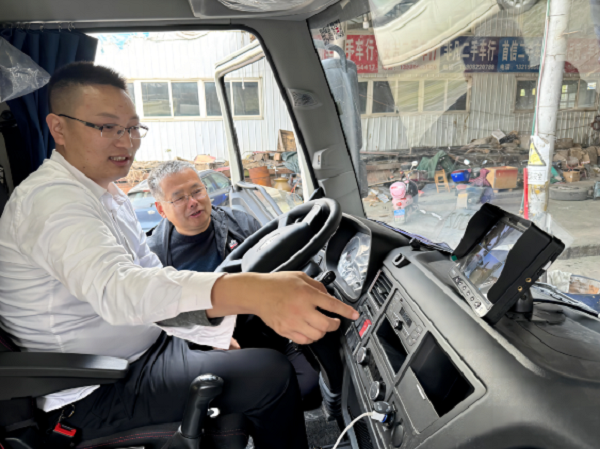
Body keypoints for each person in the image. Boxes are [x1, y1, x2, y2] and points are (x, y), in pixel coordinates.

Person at [0, 62, 358, 448]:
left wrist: (205, 332)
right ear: (58, 128)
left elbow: (150, 274)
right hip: (92, 387)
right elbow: (122, 291)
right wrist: (256, 290)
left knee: (250, 354)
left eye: (133, 128)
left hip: (140, 353)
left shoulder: (104, 193)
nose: (127, 142)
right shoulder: (51, 201)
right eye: (107, 127)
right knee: (270, 372)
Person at [146, 160, 321, 409]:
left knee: (310, 387)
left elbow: (275, 271)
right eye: (179, 198)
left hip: (263, 329)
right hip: (204, 349)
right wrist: (209, 337)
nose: (193, 201)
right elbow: (156, 318)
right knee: (261, 393)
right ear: (161, 209)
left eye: (197, 191)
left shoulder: (240, 224)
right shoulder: (154, 256)